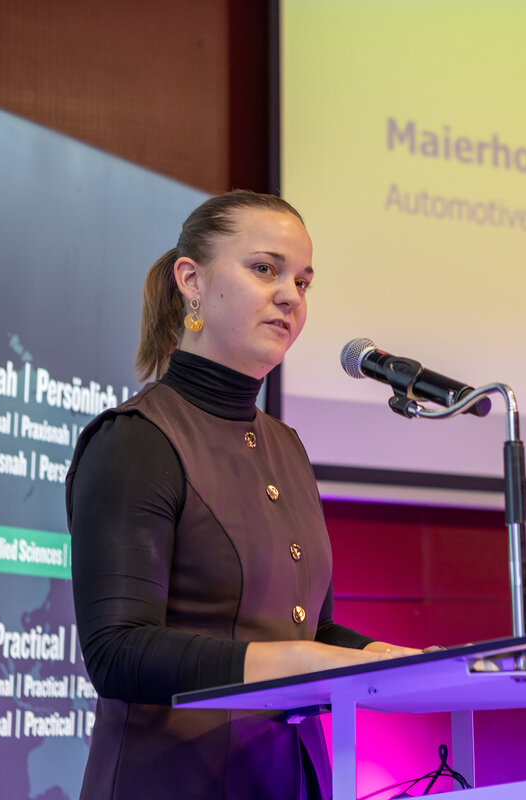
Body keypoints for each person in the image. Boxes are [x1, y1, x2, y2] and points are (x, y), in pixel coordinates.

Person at [66, 190, 417, 799]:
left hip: (287, 779)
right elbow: (116, 652)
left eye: (304, 282)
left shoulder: (287, 447)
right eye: (265, 269)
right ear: (191, 279)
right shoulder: (137, 441)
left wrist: (395, 658)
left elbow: (313, 634)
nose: (290, 296)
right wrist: (296, 662)